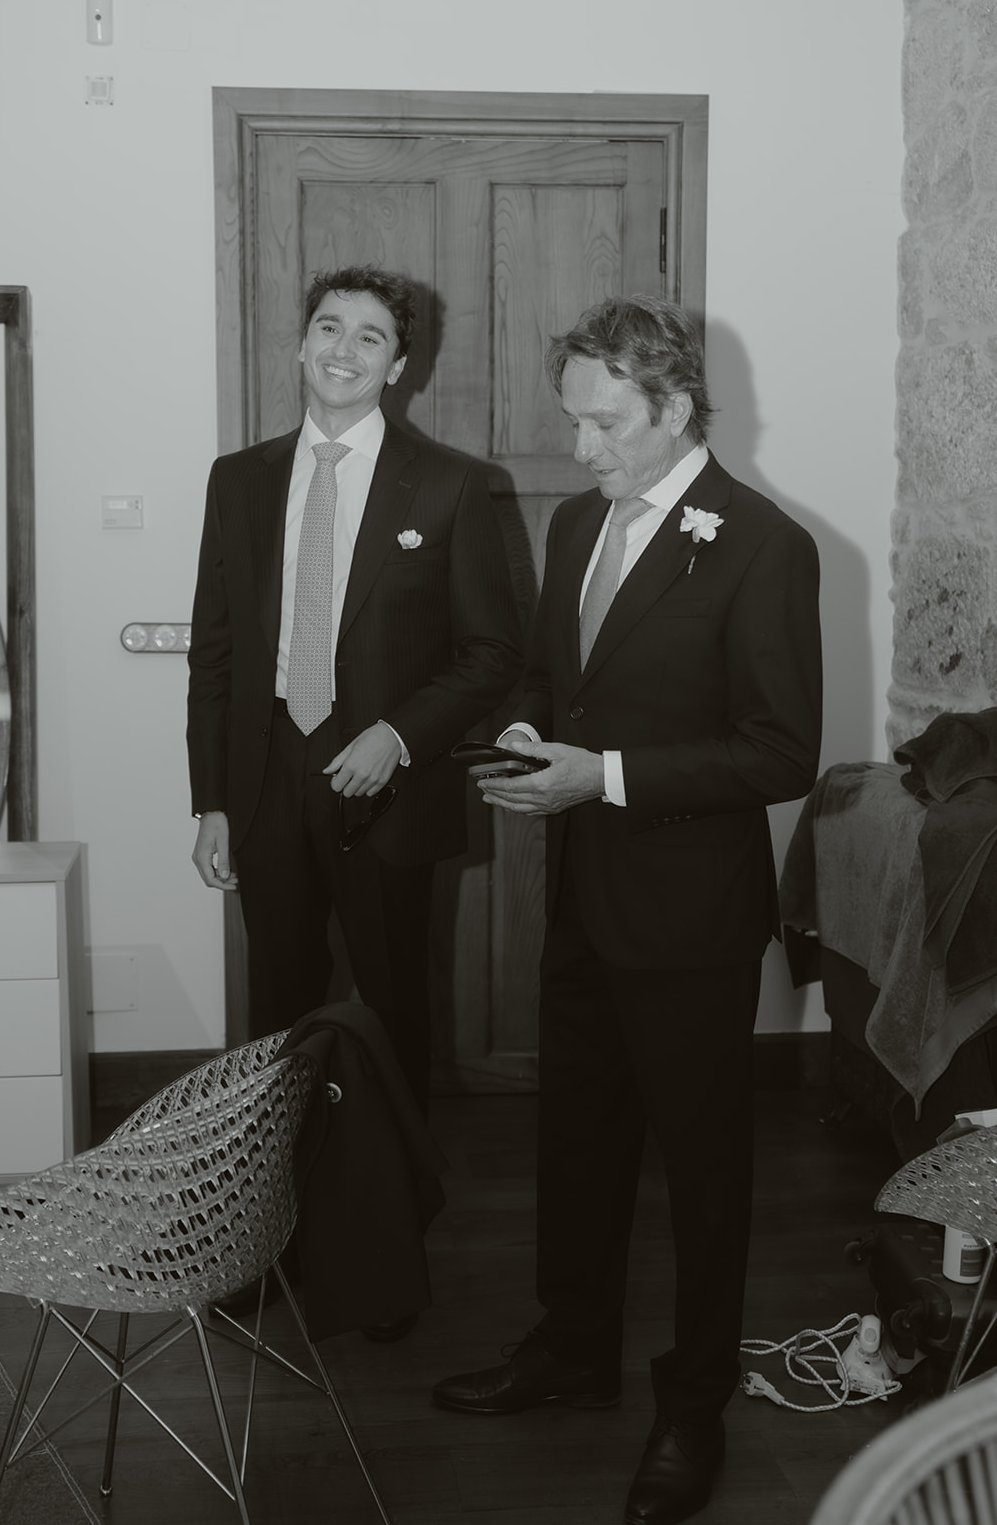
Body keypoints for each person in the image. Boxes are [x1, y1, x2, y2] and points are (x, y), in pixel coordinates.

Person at [431, 295, 822, 1525]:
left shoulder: (763, 543)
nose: (581, 449)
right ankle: (569, 1351)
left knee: (705, 1175)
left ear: (672, 407)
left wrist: (595, 778)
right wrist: (521, 739)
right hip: (582, 902)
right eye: (573, 422)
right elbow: (554, 679)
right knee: (576, 1144)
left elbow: (777, 751)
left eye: (603, 424)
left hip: (694, 919)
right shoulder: (569, 526)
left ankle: (691, 1407)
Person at [187, 264, 522, 1123]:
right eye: (330, 327)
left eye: (370, 336)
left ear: (398, 365)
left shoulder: (450, 484)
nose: (345, 349)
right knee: (277, 1009)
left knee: (393, 1000)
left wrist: (397, 737)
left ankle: (393, 1194)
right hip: (265, 776)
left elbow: (491, 652)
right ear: (302, 343)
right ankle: (277, 1192)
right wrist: (212, 803)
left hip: (388, 782)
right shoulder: (239, 479)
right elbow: (215, 657)